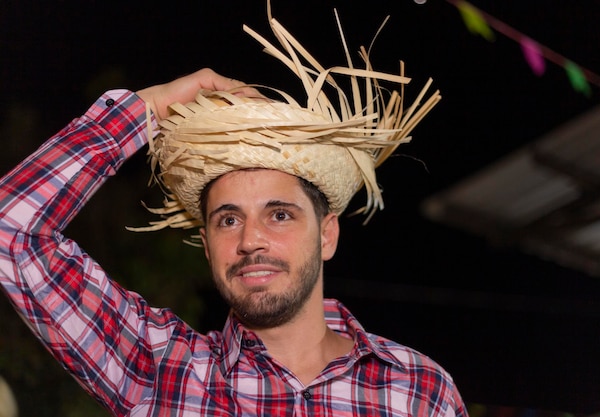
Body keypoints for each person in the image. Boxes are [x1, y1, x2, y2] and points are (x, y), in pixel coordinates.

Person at [0, 15, 467, 417]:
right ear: (206, 245)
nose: (250, 240)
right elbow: (11, 228)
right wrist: (148, 108)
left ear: (327, 235)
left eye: (279, 215)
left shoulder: (418, 391)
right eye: (228, 219)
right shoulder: (158, 366)